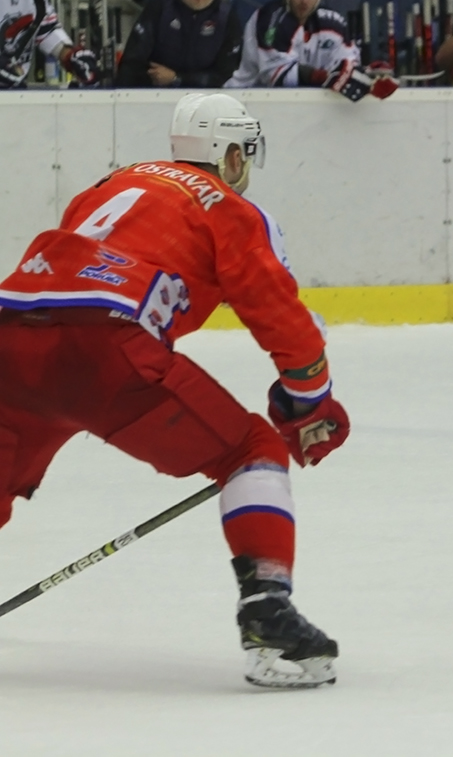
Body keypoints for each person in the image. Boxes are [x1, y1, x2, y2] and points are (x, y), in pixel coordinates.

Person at [0, 93, 351, 686]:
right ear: (232, 155)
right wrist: (309, 399)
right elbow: (278, 313)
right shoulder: (228, 208)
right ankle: (267, 612)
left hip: (10, 338)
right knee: (251, 451)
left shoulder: (110, 184)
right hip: (106, 348)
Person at [226, 0, 395, 101]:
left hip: (304, 103)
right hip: (246, 98)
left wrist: (367, 74)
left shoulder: (333, 23)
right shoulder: (269, 19)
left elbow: (347, 63)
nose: (304, 0)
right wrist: (327, 77)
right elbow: (278, 77)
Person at [117, 0, 241, 89]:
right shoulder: (159, 9)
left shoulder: (227, 18)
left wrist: (177, 78)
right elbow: (131, 65)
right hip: (157, 94)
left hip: (207, 97)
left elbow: (227, 76)